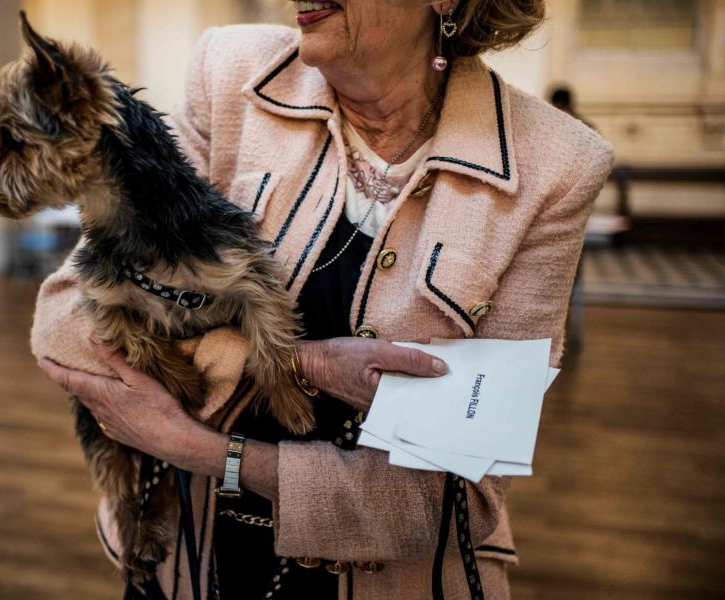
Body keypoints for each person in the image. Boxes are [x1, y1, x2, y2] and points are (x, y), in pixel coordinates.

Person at [31, 1, 613, 598]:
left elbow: (440, 494)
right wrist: (300, 362)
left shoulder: (555, 164)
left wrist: (199, 448)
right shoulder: (231, 74)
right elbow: (65, 319)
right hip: (185, 561)